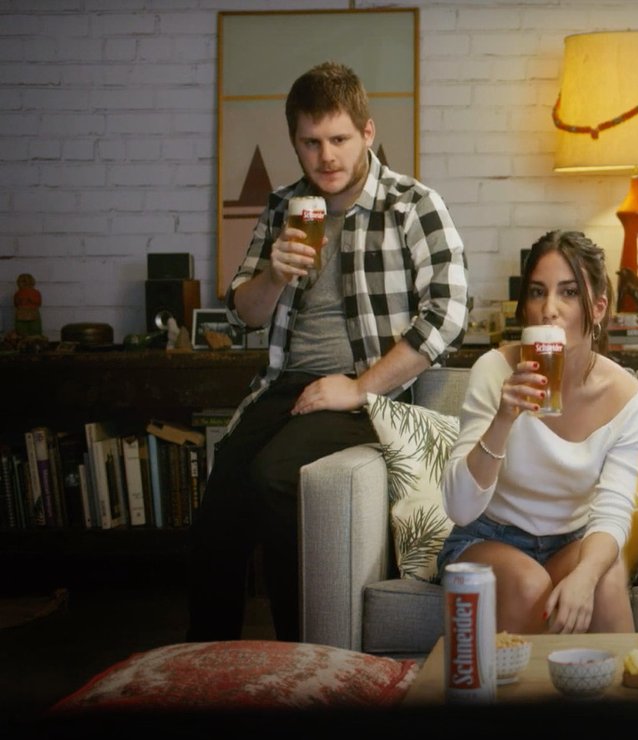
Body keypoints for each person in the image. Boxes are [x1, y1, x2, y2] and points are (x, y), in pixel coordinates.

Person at [187, 62, 469, 642]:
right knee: (217, 510)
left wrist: (359, 387)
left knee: (274, 476)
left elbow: (449, 313)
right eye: (310, 143)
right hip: (284, 384)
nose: (326, 157)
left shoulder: (413, 205)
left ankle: (301, 654)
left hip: (369, 390)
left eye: (339, 139)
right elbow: (244, 315)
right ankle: (206, 661)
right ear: (295, 142)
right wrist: (273, 274)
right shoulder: (284, 206)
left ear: (367, 132)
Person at [438, 230, 638, 634]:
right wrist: (503, 419)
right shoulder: (493, 371)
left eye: (569, 292)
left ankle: (630, 677)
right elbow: (460, 508)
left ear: (598, 307)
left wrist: (585, 576)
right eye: (537, 292)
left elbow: (611, 512)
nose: (549, 309)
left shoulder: (629, 397)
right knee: (528, 583)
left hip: (569, 542)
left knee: (604, 577)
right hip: (487, 540)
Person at [13, 273, 41, 338]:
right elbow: (16, 304)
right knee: (23, 330)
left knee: (33, 329)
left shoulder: (35, 292)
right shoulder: (18, 293)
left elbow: (38, 302)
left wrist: (29, 299)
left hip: (31, 313)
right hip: (22, 314)